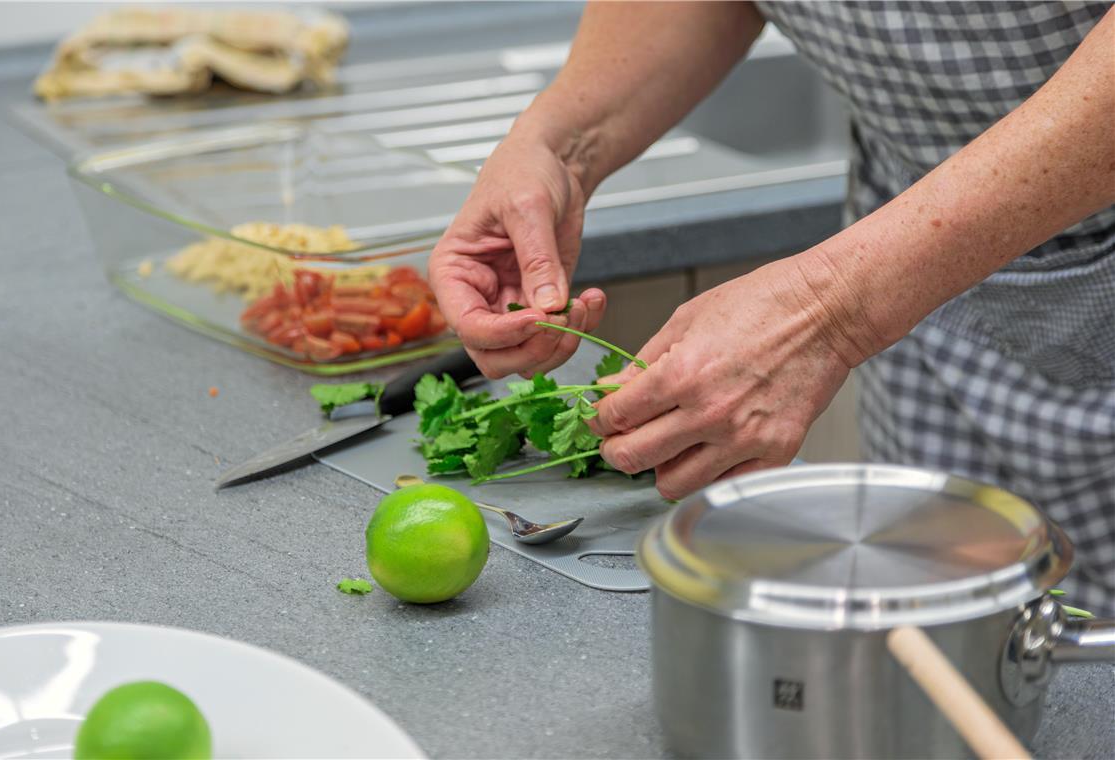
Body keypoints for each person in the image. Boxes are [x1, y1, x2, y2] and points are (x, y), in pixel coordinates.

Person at [428, 2, 1114, 613]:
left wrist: (831, 307)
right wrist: (557, 145)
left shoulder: (842, 306)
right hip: (918, 276)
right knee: (951, 639)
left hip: (924, 271)